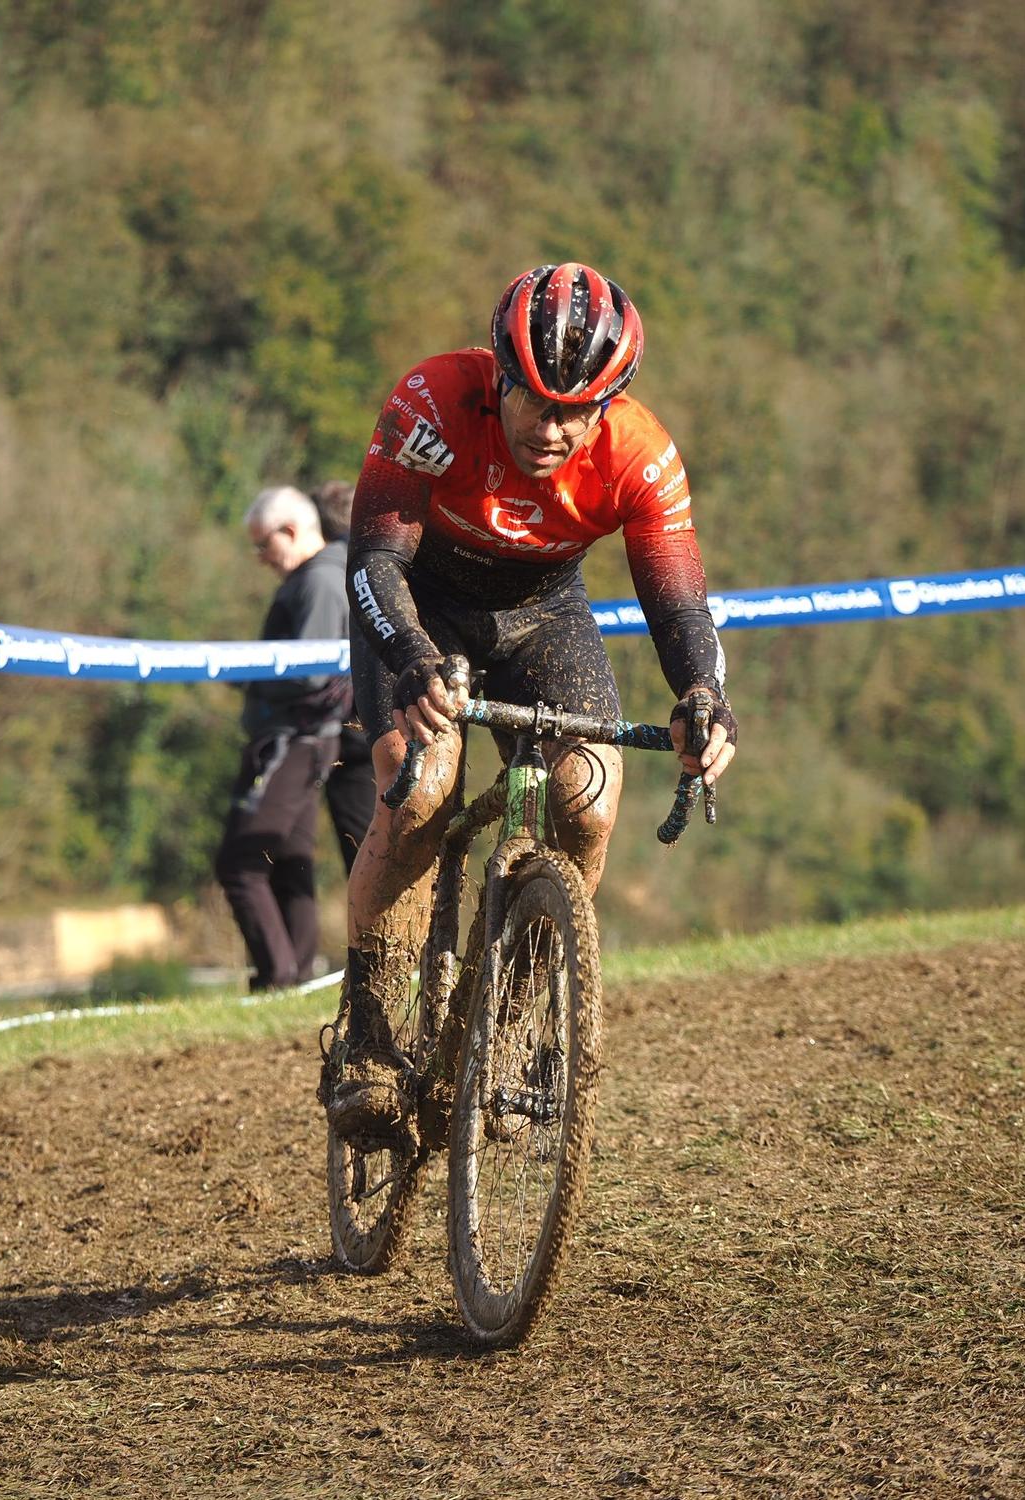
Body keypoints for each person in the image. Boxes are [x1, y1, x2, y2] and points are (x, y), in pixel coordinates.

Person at [324, 262, 739, 1138]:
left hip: (542, 614)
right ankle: (367, 1034)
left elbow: (678, 606)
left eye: (576, 411)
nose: (552, 430)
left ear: (608, 404)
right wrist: (411, 659)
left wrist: (703, 696)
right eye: (536, 403)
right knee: (420, 791)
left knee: (589, 797)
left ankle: (511, 1024)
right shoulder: (435, 403)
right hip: (419, 607)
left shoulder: (639, 453)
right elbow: (373, 563)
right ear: (501, 377)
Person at [215, 486, 357, 990]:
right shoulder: (317, 577)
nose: (260, 558)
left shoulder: (318, 580)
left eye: (264, 545)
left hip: (293, 741)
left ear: (292, 531)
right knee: (289, 863)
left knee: (240, 864)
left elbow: (311, 672)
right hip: (305, 740)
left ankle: (276, 978)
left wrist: (244, 672)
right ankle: (295, 977)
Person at [309, 479, 376, 882]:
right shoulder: (394, 554)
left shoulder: (330, 569)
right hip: (407, 711)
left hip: (354, 729)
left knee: (365, 854)